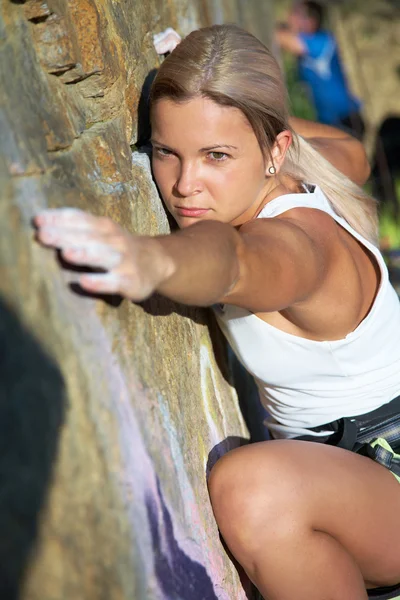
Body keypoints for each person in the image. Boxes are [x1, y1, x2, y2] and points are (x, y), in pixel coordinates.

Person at [34, 24, 400, 600]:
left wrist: (149, 259)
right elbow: (351, 151)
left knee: (253, 491)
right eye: (165, 152)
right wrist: (230, 100)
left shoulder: (300, 245)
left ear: (274, 150)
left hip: (387, 472)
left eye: (216, 155)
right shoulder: (298, 166)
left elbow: (232, 261)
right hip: (349, 475)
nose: (185, 185)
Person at [276, 1, 365, 139]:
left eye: (295, 13)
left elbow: (283, 39)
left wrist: (276, 29)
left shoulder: (322, 41)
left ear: (311, 20)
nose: (289, 17)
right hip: (329, 122)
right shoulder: (308, 47)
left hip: (346, 119)